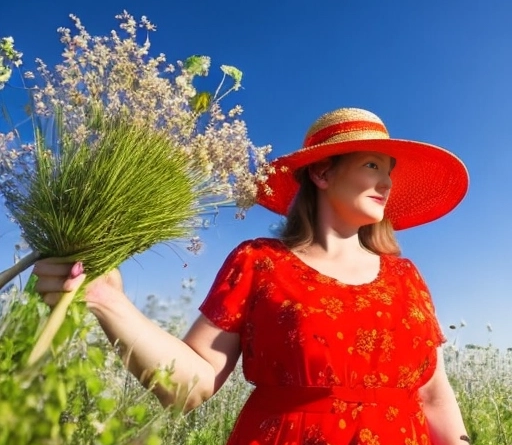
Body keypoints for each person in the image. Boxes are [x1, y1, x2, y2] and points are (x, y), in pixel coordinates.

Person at [34, 107, 471, 445]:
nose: (387, 183)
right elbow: (192, 384)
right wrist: (107, 301)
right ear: (321, 172)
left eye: (388, 171)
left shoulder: (405, 275)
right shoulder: (259, 262)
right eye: (372, 166)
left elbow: (433, 395)